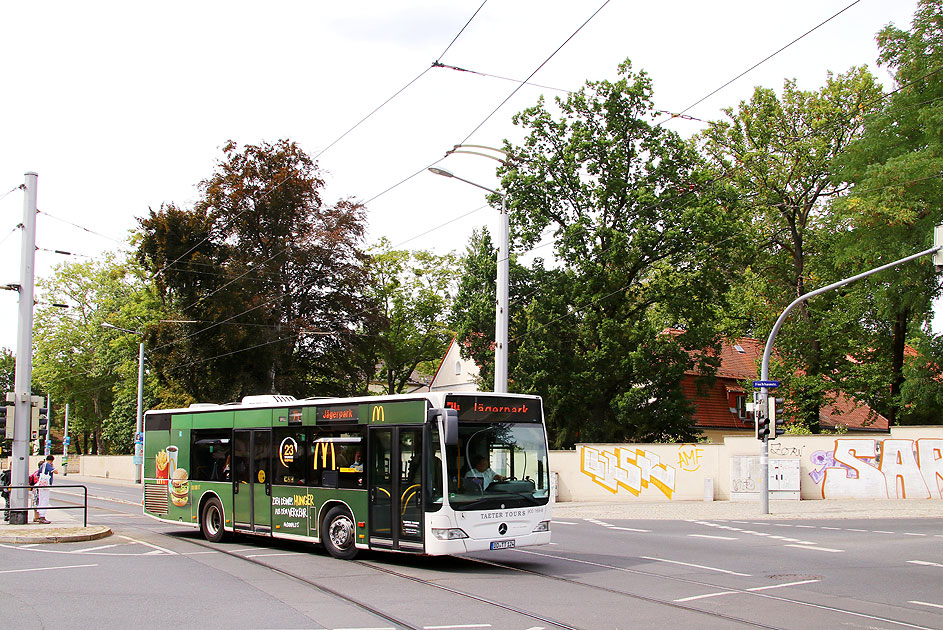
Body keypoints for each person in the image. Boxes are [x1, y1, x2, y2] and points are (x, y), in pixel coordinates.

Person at [33, 455, 57, 524]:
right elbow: (55, 471)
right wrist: (53, 467)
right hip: (45, 485)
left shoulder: (42, 465)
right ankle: (42, 516)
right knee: (44, 500)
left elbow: (38, 476)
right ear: (52, 460)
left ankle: (40, 516)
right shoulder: (48, 465)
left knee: (41, 500)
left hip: (41, 484)